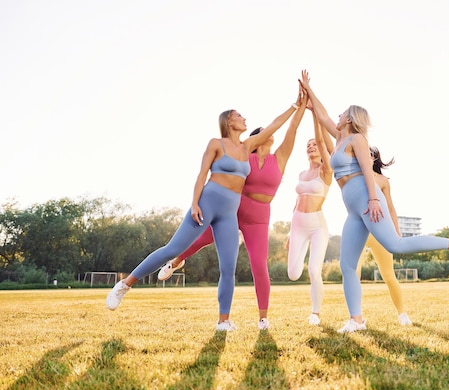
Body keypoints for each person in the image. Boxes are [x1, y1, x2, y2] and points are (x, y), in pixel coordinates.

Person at [106, 85, 305, 333]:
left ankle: (223, 321)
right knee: (174, 248)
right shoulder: (216, 144)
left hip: (229, 214)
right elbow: (201, 175)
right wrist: (194, 203)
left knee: (228, 267)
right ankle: (125, 284)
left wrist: (295, 105)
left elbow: (276, 125)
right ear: (229, 122)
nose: (245, 119)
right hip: (208, 203)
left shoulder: (247, 147)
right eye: (239, 116)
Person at [299, 69, 449, 333]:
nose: (336, 115)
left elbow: (368, 171)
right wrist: (309, 91)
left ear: (350, 117)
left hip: (365, 198)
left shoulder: (357, 138)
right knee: (347, 265)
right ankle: (356, 320)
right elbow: (322, 114)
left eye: (341, 112)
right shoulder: (339, 138)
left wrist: (373, 199)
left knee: (396, 245)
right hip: (352, 209)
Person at [355, 146, 412, 326]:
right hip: (358, 230)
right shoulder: (354, 177)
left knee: (388, 275)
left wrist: (396, 230)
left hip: (380, 231)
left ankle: (402, 313)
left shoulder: (382, 180)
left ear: (374, 158)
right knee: (352, 274)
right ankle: (356, 317)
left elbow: (391, 207)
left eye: (368, 154)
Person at [286, 108, 333, 326]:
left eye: (314, 144)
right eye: (308, 145)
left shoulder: (326, 171)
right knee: (293, 274)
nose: (312, 146)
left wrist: (315, 114)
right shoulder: (301, 174)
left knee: (314, 270)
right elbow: (296, 202)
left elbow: (324, 143)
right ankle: (297, 253)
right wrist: (289, 231)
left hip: (317, 225)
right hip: (297, 224)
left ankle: (315, 313)